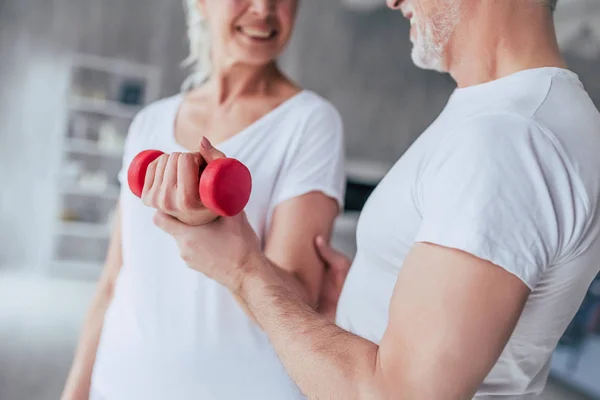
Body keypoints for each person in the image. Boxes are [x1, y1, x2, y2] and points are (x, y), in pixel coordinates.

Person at [150, 0, 600, 398]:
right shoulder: (506, 113)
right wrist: (360, 307)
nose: (391, 0)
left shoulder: (511, 136)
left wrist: (242, 269)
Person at [61, 1, 346, 399]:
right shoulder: (149, 122)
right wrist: (75, 391)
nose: (264, 8)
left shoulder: (310, 122)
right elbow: (113, 282)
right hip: (120, 383)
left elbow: (300, 305)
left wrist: (217, 233)